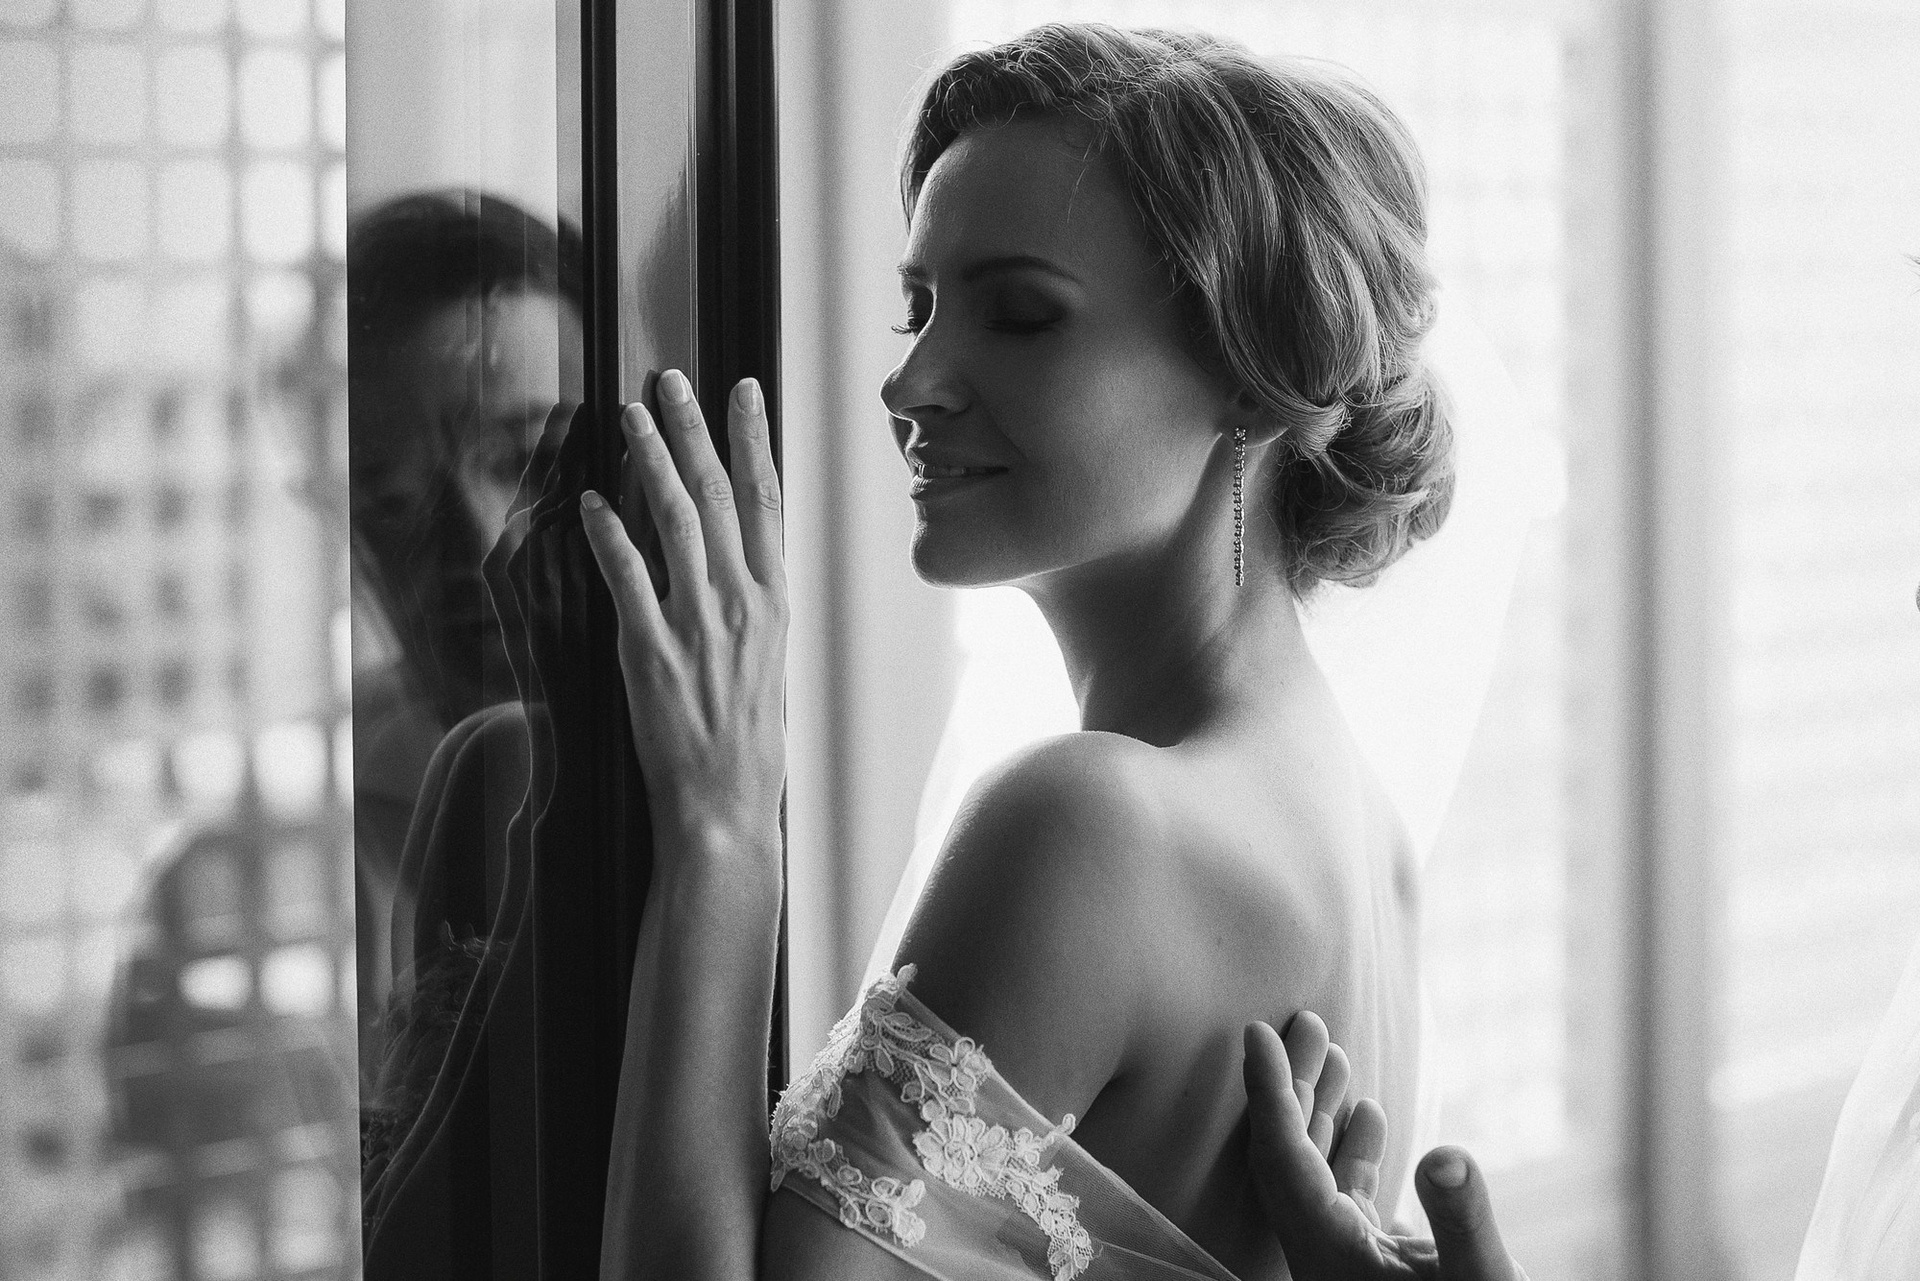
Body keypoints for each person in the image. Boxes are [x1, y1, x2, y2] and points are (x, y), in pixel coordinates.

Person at [582, 22, 1456, 1280]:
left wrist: (724, 835)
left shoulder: (1092, 825)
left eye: (1021, 316)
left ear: (1256, 373)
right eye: (920, 308)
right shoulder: (1366, 834)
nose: (913, 382)